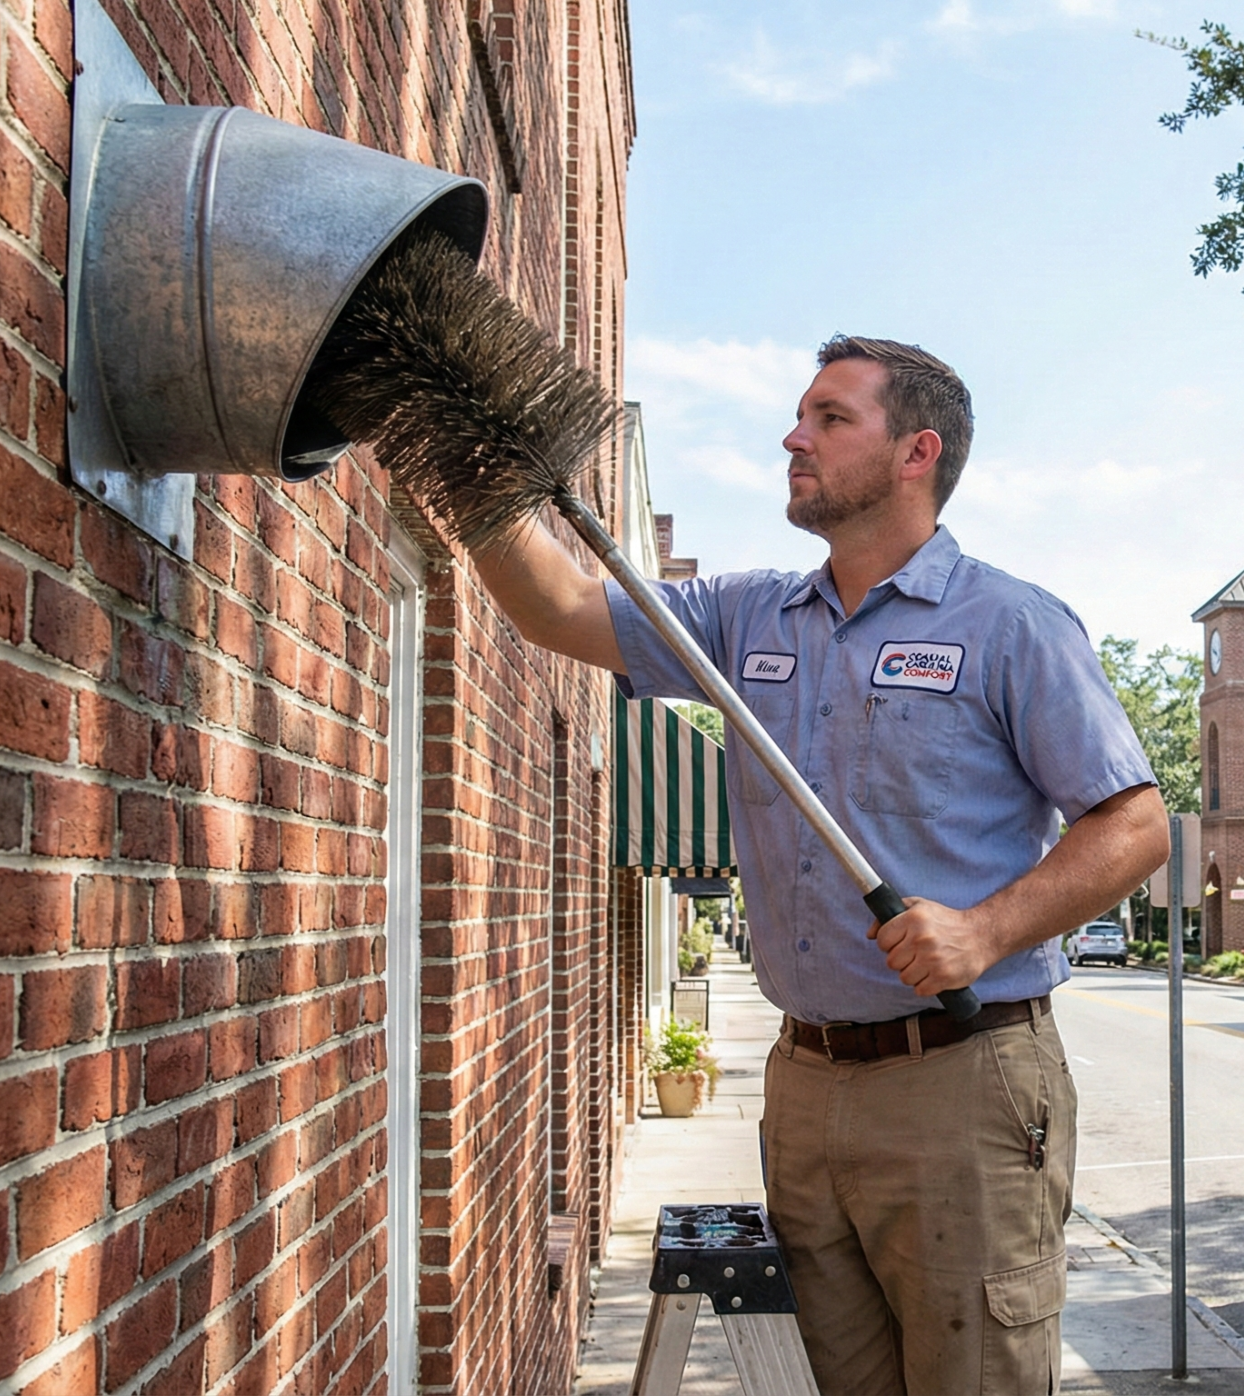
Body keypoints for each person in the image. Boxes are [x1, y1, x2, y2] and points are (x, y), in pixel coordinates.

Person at [464, 334, 1168, 1395]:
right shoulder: (746, 617)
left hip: (963, 1081)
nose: (794, 436)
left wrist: (982, 930)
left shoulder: (1008, 624)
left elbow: (1135, 824)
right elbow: (560, 607)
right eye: (802, 415)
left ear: (915, 452)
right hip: (802, 1084)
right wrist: (464, 464)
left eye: (831, 419)